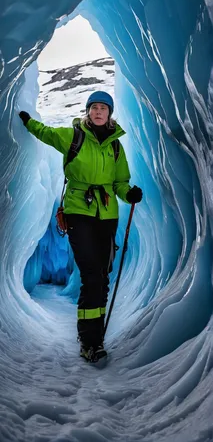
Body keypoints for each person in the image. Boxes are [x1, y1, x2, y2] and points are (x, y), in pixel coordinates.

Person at [19, 90, 142, 362]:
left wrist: (128, 193)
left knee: (102, 275)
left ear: (110, 113)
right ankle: (89, 341)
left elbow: (120, 182)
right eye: (94, 107)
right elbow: (47, 133)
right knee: (91, 274)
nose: (98, 111)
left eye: (103, 108)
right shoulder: (74, 136)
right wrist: (28, 121)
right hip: (78, 211)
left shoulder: (115, 147)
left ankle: (95, 335)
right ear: (88, 111)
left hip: (107, 215)